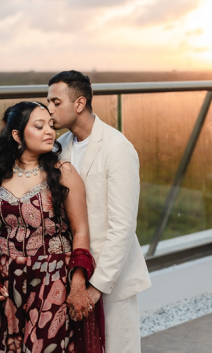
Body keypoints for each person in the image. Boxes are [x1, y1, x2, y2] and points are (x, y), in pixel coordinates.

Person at [0, 101, 105, 353]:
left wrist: (78, 284)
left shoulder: (63, 173)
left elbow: (81, 231)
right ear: (16, 135)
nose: (49, 131)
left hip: (53, 279)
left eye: (50, 125)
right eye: (39, 126)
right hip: (7, 282)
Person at [47, 71, 151, 353]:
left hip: (112, 279)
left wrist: (96, 288)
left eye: (56, 102)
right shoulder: (60, 148)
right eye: (48, 102)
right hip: (73, 277)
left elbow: (123, 227)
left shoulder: (117, 148)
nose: (49, 109)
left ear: (79, 104)